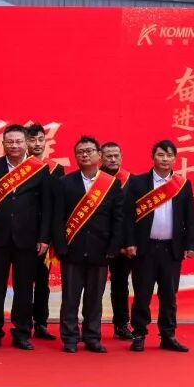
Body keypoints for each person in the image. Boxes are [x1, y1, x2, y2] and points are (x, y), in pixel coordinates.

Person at [0, 124, 53, 350]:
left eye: (19, 141)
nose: (15, 146)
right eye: (10, 142)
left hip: (28, 238)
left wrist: (44, 237)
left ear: (26, 143)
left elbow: (46, 207)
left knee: (24, 288)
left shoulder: (39, 169)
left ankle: (21, 332)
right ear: (3, 144)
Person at [123, 140, 194, 353]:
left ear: (175, 158)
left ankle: (168, 335)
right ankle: (139, 334)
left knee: (169, 295)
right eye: (160, 155)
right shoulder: (137, 182)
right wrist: (129, 242)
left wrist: (191, 244)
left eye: (169, 155)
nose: (165, 159)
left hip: (171, 249)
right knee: (142, 295)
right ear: (153, 157)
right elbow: (128, 217)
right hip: (145, 249)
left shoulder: (182, 185)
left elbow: (190, 217)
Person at [52, 136, 124, 353]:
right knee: (70, 298)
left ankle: (92, 337)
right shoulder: (65, 182)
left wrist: (113, 247)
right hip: (72, 249)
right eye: (80, 152)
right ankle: (70, 338)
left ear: (99, 155)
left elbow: (117, 218)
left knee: (94, 298)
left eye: (89, 151)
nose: (85, 155)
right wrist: (61, 246)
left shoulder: (111, 184)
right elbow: (58, 218)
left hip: (100, 250)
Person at [26, 122, 64, 341]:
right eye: (32, 140)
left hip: (44, 234)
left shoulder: (55, 169)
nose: (37, 144)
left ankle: (40, 323)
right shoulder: (18, 169)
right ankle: (22, 323)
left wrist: (50, 236)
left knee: (42, 281)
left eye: (41, 139)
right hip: (21, 232)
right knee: (22, 282)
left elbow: (58, 206)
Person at [100, 141, 135, 340]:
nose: (113, 159)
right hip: (96, 241)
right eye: (108, 156)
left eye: (116, 156)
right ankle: (90, 326)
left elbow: (133, 217)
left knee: (120, 285)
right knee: (92, 286)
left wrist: (126, 243)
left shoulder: (132, 181)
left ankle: (121, 324)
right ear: (100, 158)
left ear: (121, 157)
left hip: (121, 245)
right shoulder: (93, 179)